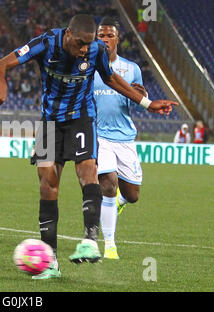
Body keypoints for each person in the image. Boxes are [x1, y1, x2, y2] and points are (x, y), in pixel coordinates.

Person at [0, 14, 177, 279]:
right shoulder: (45, 42)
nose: (84, 50)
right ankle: (50, 259)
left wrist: (147, 103)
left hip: (82, 118)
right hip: (49, 122)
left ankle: (89, 240)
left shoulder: (96, 49)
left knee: (88, 171)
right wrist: (2, 84)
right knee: (47, 183)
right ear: (67, 34)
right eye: (79, 44)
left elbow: (110, 78)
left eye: (88, 44)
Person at [94, 17, 150, 260]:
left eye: (109, 36)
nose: (105, 39)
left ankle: (119, 202)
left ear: (118, 39)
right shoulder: (87, 67)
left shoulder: (132, 68)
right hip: (99, 135)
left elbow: (136, 102)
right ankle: (109, 245)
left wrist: (143, 96)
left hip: (125, 137)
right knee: (108, 184)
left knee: (133, 195)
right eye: (101, 35)